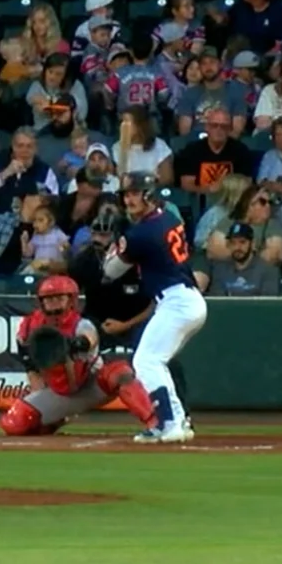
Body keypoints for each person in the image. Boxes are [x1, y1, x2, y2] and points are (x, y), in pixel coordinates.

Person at [104, 176, 207, 444]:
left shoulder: (141, 233)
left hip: (177, 301)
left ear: (149, 195)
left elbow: (111, 271)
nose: (129, 200)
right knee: (155, 361)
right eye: (126, 195)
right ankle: (177, 420)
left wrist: (117, 244)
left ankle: (170, 422)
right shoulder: (169, 218)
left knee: (146, 361)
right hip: (185, 299)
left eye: (135, 194)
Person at [0, 275, 161, 437]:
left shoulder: (81, 324)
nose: (54, 303)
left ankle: (155, 422)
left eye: (59, 298)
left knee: (120, 373)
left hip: (92, 384)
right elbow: (30, 366)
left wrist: (77, 344)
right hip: (58, 391)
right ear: (41, 302)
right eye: (49, 299)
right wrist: (38, 395)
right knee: (13, 424)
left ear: (71, 300)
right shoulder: (28, 327)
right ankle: (53, 422)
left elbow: (90, 337)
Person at [174, 108, 254, 195]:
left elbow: (246, 184)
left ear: (230, 129)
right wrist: (209, 190)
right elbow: (187, 186)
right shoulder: (192, 150)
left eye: (224, 126)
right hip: (199, 200)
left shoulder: (241, 151)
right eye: (214, 125)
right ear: (207, 127)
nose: (219, 129)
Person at [200, 221, 282, 296]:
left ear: (252, 244)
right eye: (233, 243)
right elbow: (218, 301)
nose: (237, 247)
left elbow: (268, 303)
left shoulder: (269, 271)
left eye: (242, 242)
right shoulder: (220, 269)